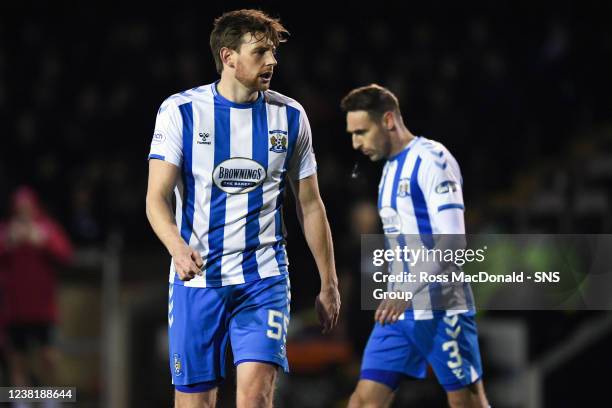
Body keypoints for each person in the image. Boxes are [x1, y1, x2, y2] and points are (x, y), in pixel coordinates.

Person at [145, 9, 340, 408]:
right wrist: (178, 249)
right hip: (198, 280)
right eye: (261, 52)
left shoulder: (290, 116)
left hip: (263, 278)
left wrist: (329, 282)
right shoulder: (181, 112)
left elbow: (310, 204)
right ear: (229, 57)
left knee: (255, 396)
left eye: (273, 53)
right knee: (195, 403)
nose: (272, 61)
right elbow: (156, 198)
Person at [341, 84, 489, 407]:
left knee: (466, 402)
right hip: (398, 312)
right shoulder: (388, 170)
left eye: (362, 132)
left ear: (389, 120)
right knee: (363, 401)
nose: (356, 143)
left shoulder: (432, 160)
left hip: (440, 306)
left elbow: (453, 242)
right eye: (352, 134)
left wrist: (406, 288)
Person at [0, 186, 73, 394]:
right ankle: (21, 403)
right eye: (19, 207)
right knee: (17, 360)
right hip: (14, 309)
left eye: (27, 207)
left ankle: (51, 401)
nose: (23, 211)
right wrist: (8, 243)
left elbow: (65, 254)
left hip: (43, 309)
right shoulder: (6, 230)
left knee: (49, 358)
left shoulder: (46, 228)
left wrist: (43, 242)